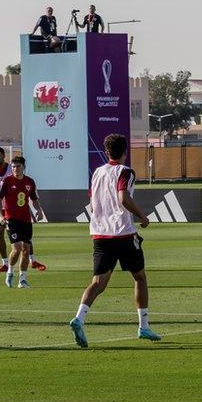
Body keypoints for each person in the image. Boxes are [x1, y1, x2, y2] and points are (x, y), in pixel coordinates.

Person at [69, 134, 161, 348]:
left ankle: (79, 318)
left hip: (100, 235)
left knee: (98, 283)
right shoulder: (125, 171)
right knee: (140, 277)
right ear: (125, 151)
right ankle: (144, 326)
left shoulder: (98, 172)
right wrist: (142, 216)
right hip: (123, 233)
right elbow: (123, 197)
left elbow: (92, 200)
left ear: (106, 151)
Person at [0, 148, 46, 274]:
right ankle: (5, 263)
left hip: (14, 206)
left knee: (24, 238)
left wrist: (39, 209)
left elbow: (31, 195)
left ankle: (31, 260)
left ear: (3, 156)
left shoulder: (11, 169)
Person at [0, 157, 45, 289]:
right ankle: (10, 272)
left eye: (18, 166)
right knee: (16, 249)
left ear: (23, 167)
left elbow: (34, 199)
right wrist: (1, 215)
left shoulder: (30, 182)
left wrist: (39, 210)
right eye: (13, 167)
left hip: (26, 220)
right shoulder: (6, 181)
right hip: (11, 219)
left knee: (26, 249)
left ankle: (22, 280)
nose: (15, 169)